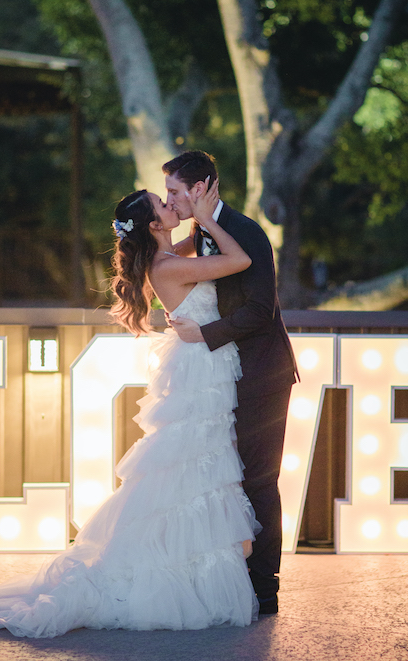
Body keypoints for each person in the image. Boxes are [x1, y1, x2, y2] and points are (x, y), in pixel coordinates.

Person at [0, 182, 260, 637]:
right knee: (191, 466)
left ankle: (187, 569)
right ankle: (169, 575)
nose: (173, 205)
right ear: (153, 225)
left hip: (201, 366)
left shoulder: (167, 255)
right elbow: (240, 262)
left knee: (195, 469)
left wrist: (191, 229)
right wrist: (206, 219)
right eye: (164, 204)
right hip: (198, 374)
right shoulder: (167, 266)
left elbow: (189, 248)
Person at [163, 151, 298, 615]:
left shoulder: (245, 233)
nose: (171, 200)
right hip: (221, 377)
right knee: (225, 478)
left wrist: (204, 334)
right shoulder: (200, 234)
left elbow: (261, 310)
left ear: (200, 188)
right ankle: (226, 578)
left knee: (259, 480)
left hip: (261, 374)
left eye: (176, 192)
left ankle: (264, 588)